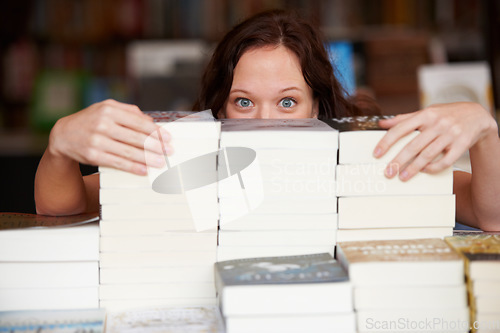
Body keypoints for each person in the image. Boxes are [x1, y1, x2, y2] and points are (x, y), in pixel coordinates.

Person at [34, 10, 500, 231]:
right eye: (242, 102)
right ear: (218, 106)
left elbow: (489, 216)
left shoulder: (361, 158)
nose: (264, 122)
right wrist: (59, 147)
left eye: (286, 103)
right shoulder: (196, 156)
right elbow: (64, 208)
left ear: (318, 105)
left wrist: (486, 131)